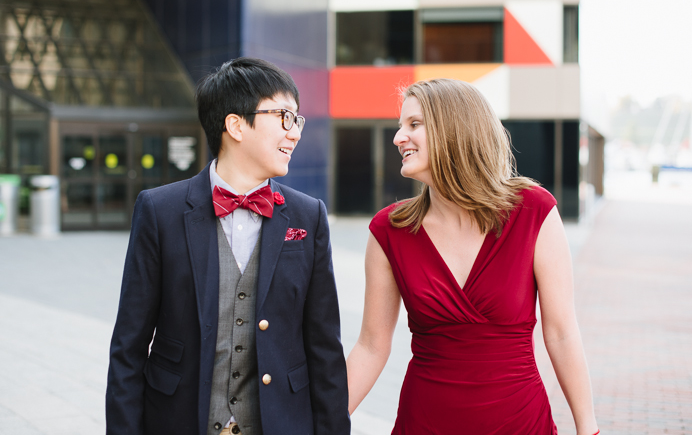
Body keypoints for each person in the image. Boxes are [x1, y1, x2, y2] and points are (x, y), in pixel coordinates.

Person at [106, 57, 350, 435]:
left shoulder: (308, 216)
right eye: (284, 116)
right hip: (179, 420)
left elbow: (325, 349)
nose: (295, 132)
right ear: (235, 125)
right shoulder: (160, 211)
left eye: (297, 119)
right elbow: (129, 345)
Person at [346, 79, 599, 435]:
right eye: (400, 126)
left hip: (520, 423)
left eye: (414, 125)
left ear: (454, 128)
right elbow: (371, 346)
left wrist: (588, 429)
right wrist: (320, 423)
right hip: (425, 423)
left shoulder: (533, 211)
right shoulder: (389, 230)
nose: (398, 137)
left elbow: (561, 334)